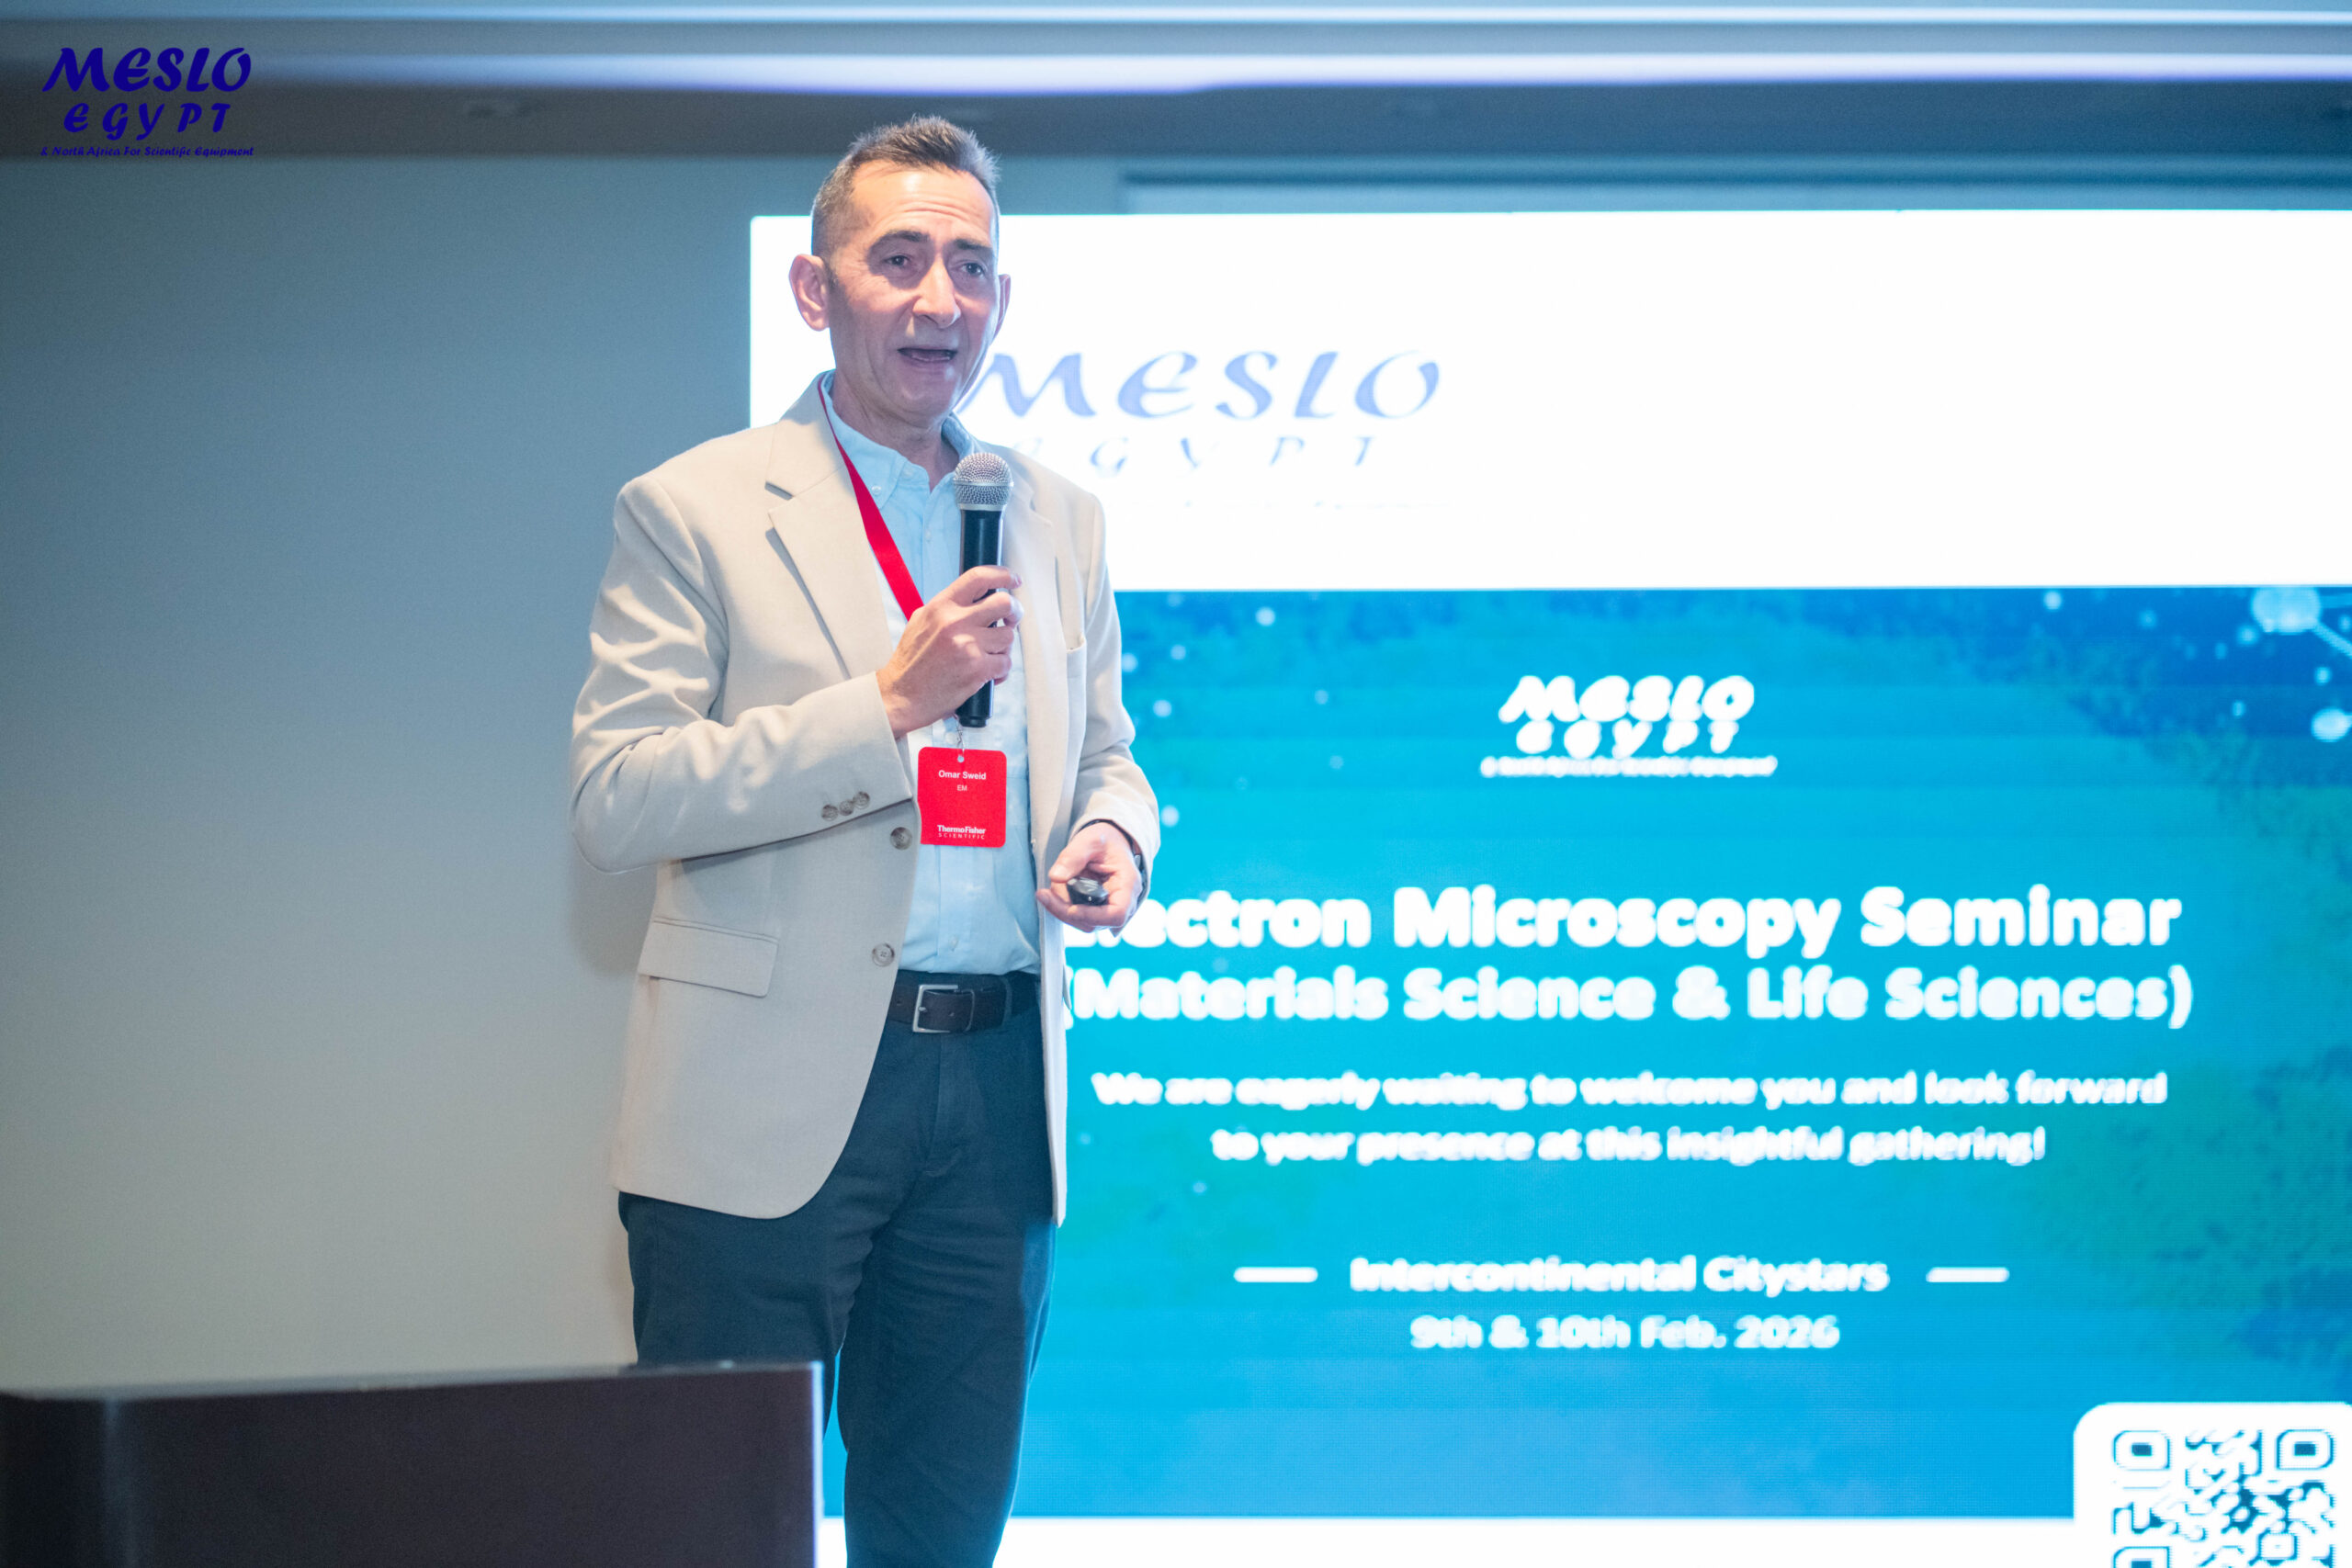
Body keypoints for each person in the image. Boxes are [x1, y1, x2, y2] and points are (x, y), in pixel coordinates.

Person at [568, 117, 1158, 1567]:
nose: (940, 298)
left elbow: (1108, 752)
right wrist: (887, 707)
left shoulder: (1059, 516)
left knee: (943, 1533)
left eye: (971, 266)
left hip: (995, 1096)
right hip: (759, 1100)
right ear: (813, 290)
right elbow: (621, 796)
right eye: (898, 260)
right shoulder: (695, 508)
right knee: (719, 1525)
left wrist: (1112, 834)